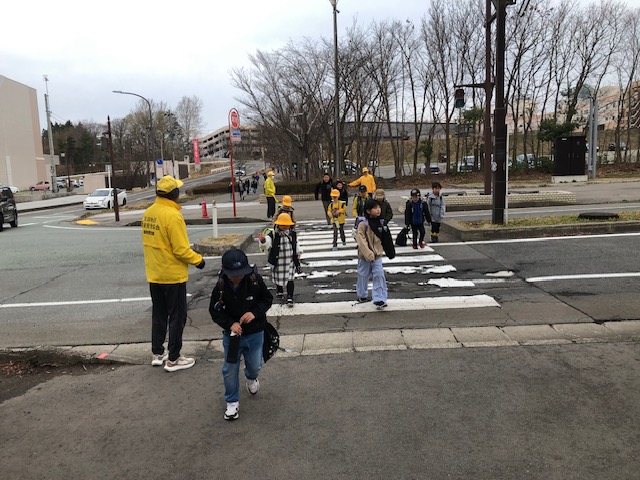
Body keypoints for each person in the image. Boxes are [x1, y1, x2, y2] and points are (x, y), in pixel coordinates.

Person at [141, 175, 205, 372]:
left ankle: (157, 353)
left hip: (154, 273)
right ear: (174, 194)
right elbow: (180, 249)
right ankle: (174, 358)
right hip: (172, 275)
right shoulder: (173, 216)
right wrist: (198, 260)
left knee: (159, 314)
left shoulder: (149, 213)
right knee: (177, 317)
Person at [209, 248, 273, 421]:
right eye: (233, 274)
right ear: (225, 271)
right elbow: (215, 311)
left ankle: (251, 378)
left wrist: (254, 313)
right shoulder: (221, 286)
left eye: (240, 273)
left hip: (255, 332)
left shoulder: (254, 280)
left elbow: (267, 299)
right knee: (229, 368)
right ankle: (232, 401)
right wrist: (230, 324)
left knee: (255, 365)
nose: (237, 277)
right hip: (232, 336)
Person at [258, 213, 301, 306]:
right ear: (278, 224)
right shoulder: (273, 234)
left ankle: (290, 296)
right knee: (278, 277)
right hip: (278, 261)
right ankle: (279, 290)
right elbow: (267, 243)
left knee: (290, 278)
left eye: (287, 224)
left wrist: (298, 253)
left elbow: (296, 244)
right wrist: (263, 241)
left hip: (290, 261)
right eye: (282, 224)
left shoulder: (292, 234)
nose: (285, 226)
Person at [355, 198, 388, 308]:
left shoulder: (381, 222)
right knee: (363, 275)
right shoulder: (363, 224)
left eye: (379, 207)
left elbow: (385, 237)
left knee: (379, 275)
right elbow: (361, 241)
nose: (378, 210)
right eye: (375, 208)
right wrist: (368, 253)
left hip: (377, 255)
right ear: (368, 211)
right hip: (364, 256)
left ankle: (379, 298)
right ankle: (362, 294)